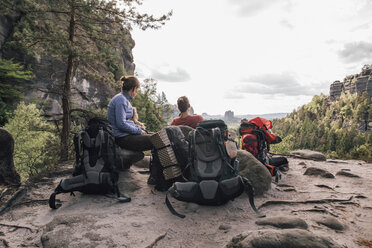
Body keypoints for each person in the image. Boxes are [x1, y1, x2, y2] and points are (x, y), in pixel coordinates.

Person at [107, 75, 153, 151]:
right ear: (134, 88)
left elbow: (125, 122)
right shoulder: (121, 100)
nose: (137, 92)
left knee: (157, 136)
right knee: (157, 140)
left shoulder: (123, 99)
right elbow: (121, 124)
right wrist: (139, 131)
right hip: (121, 138)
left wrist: (137, 128)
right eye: (137, 89)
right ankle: (156, 162)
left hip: (125, 135)